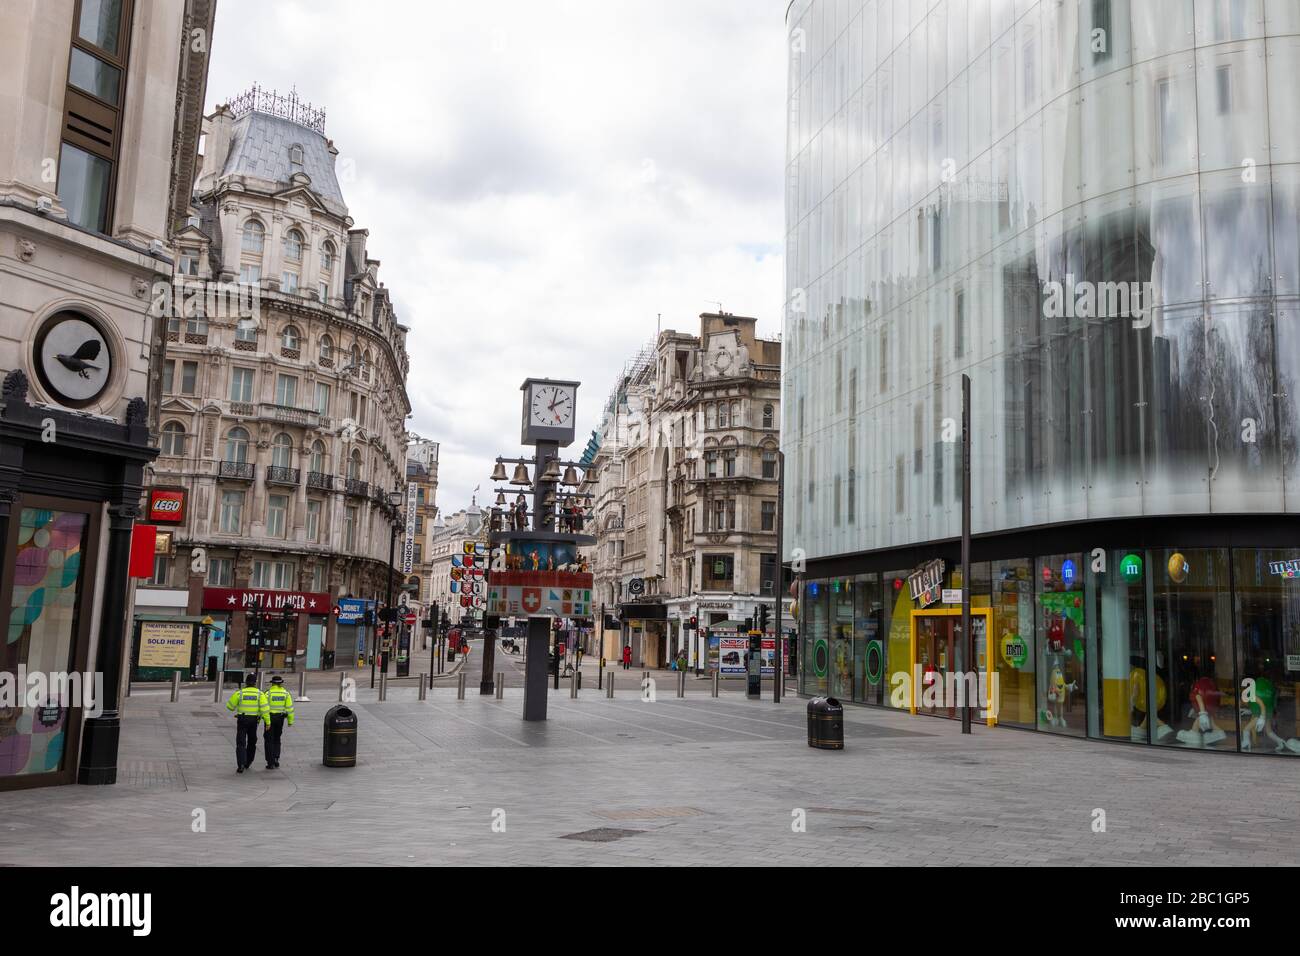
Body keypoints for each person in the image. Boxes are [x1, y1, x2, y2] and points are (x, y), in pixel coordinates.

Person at [226, 673, 268, 773]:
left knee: (241, 742)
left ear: (246, 682)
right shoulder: (259, 694)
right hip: (254, 721)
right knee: (252, 741)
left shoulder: (240, 693)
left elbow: (230, 706)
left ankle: (240, 764)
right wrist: (268, 722)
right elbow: (265, 709)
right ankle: (248, 762)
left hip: (242, 720)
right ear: (255, 683)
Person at [263, 674, 295, 769]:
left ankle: (270, 762)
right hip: (280, 719)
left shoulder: (268, 693)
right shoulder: (286, 693)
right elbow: (290, 708)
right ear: (281, 684)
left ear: (272, 683)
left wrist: (260, 718)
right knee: (277, 738)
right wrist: (290, 721)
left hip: (269, 718)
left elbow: (263, 707)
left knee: (269, 740)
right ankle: (276, 758)